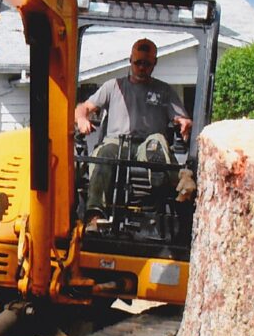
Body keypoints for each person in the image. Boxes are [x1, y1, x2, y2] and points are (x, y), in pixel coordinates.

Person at [74, 38, 195, 231]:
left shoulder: (164, 91)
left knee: (157, 143)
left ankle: (176, 189)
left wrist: (183, 122)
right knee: (102, 155)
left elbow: (183, 118)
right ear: (130, 60)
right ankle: (95, 215)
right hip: (116, 143)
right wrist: (82, 119)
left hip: (148, 144)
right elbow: (84, 108)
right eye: (138, 62)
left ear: (154, 63)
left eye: (147, 63)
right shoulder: (113, 86)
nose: (142, 67)